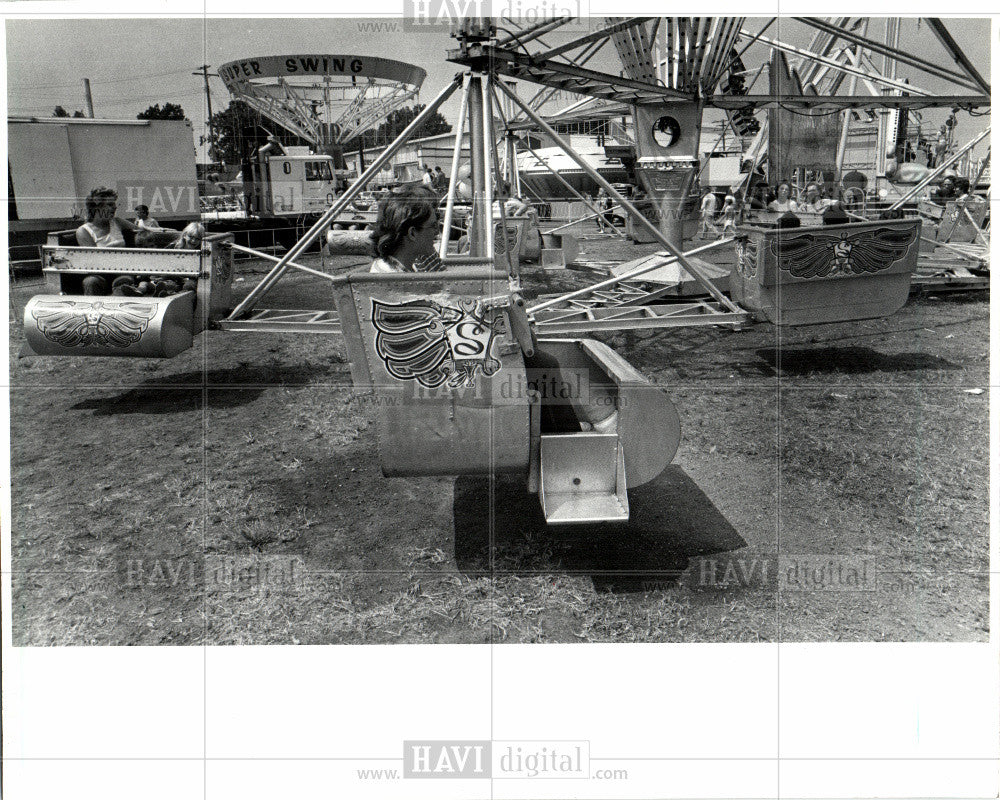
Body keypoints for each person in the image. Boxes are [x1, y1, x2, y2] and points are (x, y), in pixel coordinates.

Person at [369, 188, 446, 273]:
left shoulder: (398, 268)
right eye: (433, 226)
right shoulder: (393, 278)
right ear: (412, 233)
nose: (436, 232)